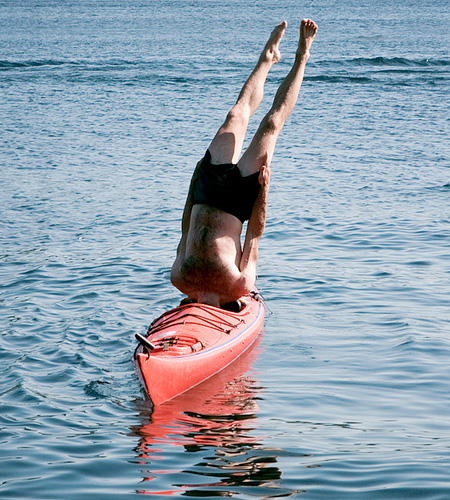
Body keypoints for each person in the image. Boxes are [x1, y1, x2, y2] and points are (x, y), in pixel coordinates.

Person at [171, 18, 318, 308]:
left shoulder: (180, 279)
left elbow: (186, 228)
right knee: (272, 122)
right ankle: (302, 56)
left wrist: (194, 180)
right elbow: (254, 235)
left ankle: (268, 58)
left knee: (236, 114)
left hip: (205, 190)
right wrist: (263, 190)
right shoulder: (239, 285)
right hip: (239, 203)